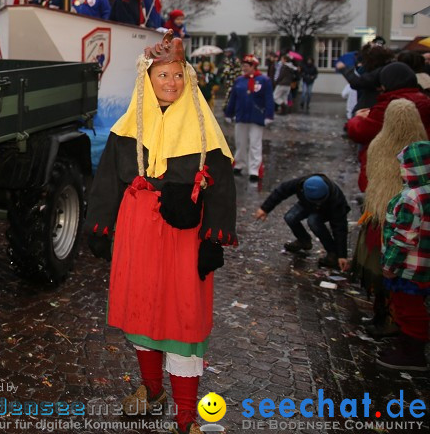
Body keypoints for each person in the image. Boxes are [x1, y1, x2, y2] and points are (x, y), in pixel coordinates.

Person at [84, 31, 236, 434]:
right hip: (139, 235)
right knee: (142, 312)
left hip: (184, 239)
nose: (171, 82)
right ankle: (152, 391)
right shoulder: (127, 127)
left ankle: (186, 418)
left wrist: (214, 238)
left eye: (177, 75)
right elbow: (107, 183)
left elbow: (221, 185)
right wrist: (100, 226)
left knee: (183, 319)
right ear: (147, 80)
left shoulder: (205, 130)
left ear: (188, 78)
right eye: (162, 75)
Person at [351, 99, 426, 338]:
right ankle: (396, 320)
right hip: (417, 220)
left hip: (383, 214)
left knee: (381, 268)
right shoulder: (422, 146)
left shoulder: (378, 145)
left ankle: (386, 318)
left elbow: (366, 178)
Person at [377, 140, 430, 371]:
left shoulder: (412, 197)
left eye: (404, 166)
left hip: (408, 267)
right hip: (424, 266)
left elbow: (403, 237)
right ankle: (407, 347)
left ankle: (412, 355)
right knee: (415, 306)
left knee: (408, 308)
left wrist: (389, 265)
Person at [345, 61, 430, 193]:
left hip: (388, 173)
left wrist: (358, 117)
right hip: (419, 170)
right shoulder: (425, 100)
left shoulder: (390, 106)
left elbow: (360, 131)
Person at [254, 174, 350, 269]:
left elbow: (340, 227)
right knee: (290, 217)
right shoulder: (300, 184)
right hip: (307, 204)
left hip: (326, 209)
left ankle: (332, 253)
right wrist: (265, 208)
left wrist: (342, 255)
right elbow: (282, 190)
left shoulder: (336, 199)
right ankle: (303, 240)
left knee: (313, 221)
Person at [223, 54, 274, 183]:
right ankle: (239, 164)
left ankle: (254, 170)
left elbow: (269, 99)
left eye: (246, 66)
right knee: (240, 142)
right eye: (243, 66)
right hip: (241, 116)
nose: (244, 68)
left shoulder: (264, 80)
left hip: (257, 116)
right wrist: (229, 113)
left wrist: (269, 115)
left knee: (255, 144)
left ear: (253, 66)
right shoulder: (239, 80)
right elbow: (233, 98)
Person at [338, 44, 394, 113]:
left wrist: (344, 69)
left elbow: (356, 83)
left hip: (369, 108)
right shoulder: (387, 69)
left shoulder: (377, 72)